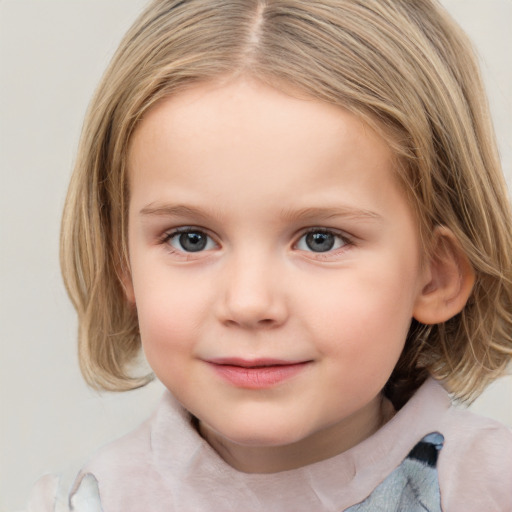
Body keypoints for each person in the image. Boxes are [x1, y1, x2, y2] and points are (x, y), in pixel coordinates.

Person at [28, 0, 512, 510]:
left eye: (319, 239)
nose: (248, 302)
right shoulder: (84, 502)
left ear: (435, 275)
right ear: (123, 265)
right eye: (191, 238)